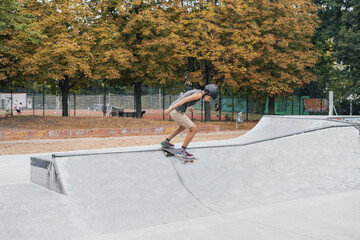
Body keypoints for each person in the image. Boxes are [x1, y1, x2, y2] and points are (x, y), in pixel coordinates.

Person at [161, 84, 219, 159]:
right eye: (210, 98)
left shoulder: (198, 93)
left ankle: (166, 142)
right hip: (176, 111)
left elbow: (186, 96)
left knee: (182, 127)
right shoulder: (198, 95)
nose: (209, 100)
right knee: (194, 129)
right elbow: (184, 100)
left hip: (176, 111)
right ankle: (182, 150)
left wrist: (190, 106)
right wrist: (170, 109)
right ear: (207, 93)